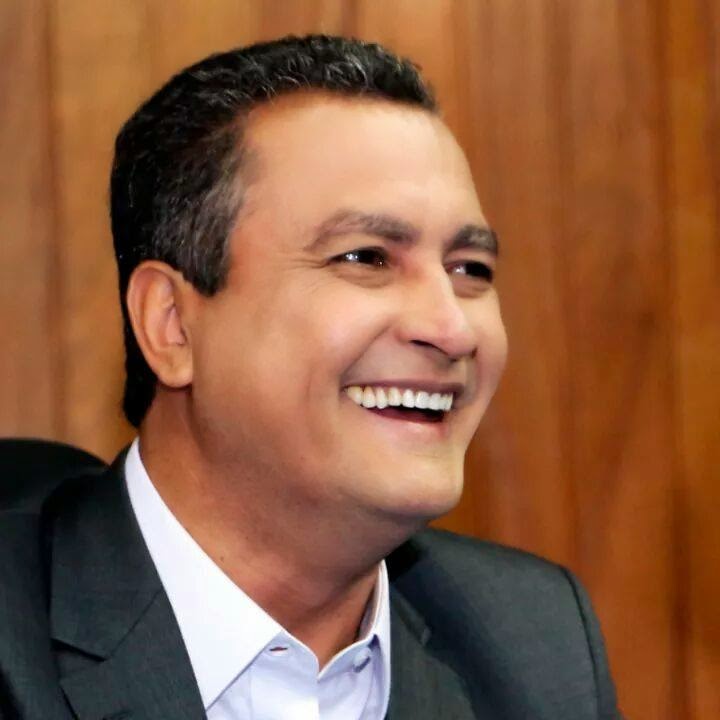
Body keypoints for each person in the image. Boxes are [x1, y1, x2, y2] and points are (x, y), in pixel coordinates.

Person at [0, 35, 621, 719]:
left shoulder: (534, 644)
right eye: (366, 258)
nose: (453, 329)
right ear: (172, 325)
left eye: (470, 270)